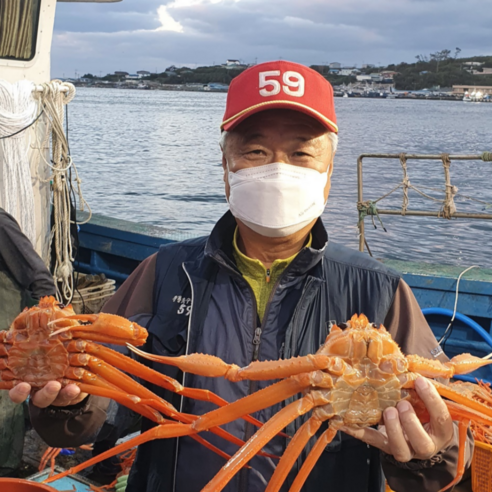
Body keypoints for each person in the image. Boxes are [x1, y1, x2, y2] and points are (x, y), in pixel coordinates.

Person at [11, 61, 472, 492]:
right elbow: (104, 407)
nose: (278, 168)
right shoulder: (166, 271)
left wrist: (428, 456)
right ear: (226, 168)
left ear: (328, 174)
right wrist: (68, 405)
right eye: (254, 150)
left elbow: (447, 440)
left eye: (300, 153)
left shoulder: (381, 291)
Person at [0, 207, 56, 476]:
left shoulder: (0, 224)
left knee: (5, 406)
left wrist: (45, 326)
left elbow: (41, 280)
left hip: (7, 338)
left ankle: (6, 469)